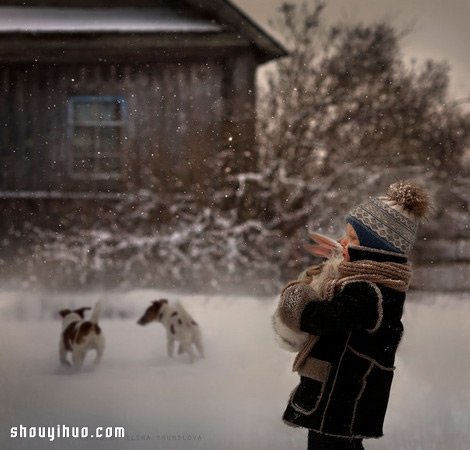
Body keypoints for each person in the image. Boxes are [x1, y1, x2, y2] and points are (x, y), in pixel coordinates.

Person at [273, 181, 430, 450]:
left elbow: (322, 320)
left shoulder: (367, 291)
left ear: (376, 249)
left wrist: (298, 298)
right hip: (346, 400)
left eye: (354, 238)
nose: (343, 242)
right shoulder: (376, 285)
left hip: (340, 400)